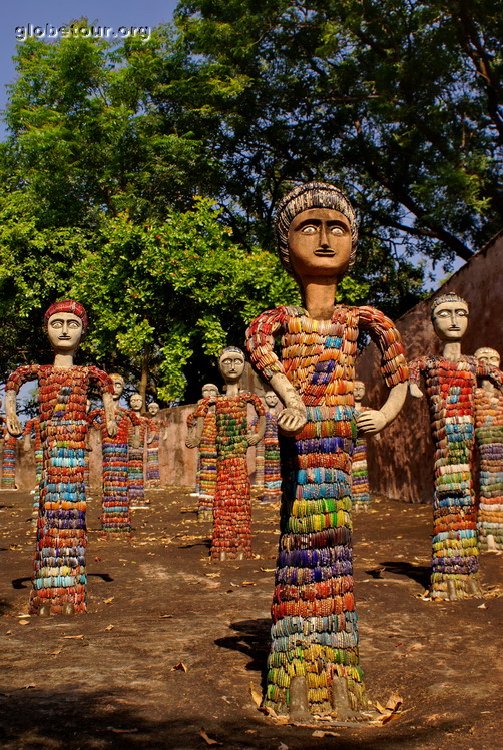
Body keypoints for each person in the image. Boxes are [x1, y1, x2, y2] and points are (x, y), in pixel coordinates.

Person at [245, 182, 408, 721]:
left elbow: (397, 375)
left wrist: (383, 414)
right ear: (285, 245)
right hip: (303, 450)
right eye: (307, 227)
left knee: (335, 542)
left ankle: (336, 667)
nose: (322, 238)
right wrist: (290, 401)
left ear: (354, 246)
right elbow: (260, 352)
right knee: (300, 535)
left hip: (339, 452)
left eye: (335, 227)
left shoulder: (365, 320)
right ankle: (296, 665)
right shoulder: (276, 321)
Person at [5, 300, 116, 615]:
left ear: (83, 330)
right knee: (50, 515)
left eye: (72, 323)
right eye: (57, 323)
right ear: (46, 329)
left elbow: (105, 385)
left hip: (75, 460)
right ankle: (47, 590)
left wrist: (110, 417)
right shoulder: (40, 371)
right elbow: (14, 380)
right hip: (52, 458)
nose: (65, 330)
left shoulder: (87, 373)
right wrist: (10, 413)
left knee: (72, 519)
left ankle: (71, 590)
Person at [409, 295, 503, 600]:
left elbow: (497, 376)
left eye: (461, 313)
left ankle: (464, 572)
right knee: (449, 494)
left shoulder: (475, 364)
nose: (453, 320)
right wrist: (411, 386)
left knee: (464, 491)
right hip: (446, 445)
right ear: (434, 323)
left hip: (467, 445)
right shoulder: (430, 363)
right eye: (445, 314)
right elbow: (410, 375)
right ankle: (448, 573)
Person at [189, 348, 265, 560]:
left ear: (244, 365)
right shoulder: (214, 401)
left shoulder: (249, 398)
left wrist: (257, 435)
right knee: (223, 497)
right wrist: (195, 437)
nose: (232, 366)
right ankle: (223, 542)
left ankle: (241, 543)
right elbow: (198, 418)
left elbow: (262, 414)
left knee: (240, 497)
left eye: (237, 361)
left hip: (239, 456)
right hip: (223, 457)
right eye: (227, 361)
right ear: (219, 366)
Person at [88, 373, 141, 531]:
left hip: (122, 454)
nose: (114, 389)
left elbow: (137, 423)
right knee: (109, 482)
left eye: (118, 385)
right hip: (108, 455)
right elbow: (87, 422)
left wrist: (136, 438)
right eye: (110, 384)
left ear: (123, 388)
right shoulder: (99, 413)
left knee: (121, 483)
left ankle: (122, 521)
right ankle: (109, 521)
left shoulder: (125, 413)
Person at [473, 347, 503, 551]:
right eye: (484, 359)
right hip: (487, 448)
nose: (490, 362)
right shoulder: (474, 394)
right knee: (490, 483)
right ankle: (489, 534)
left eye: (494, 358)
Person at [186, 384, 219, 520]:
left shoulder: (221, 409)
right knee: (205, 475)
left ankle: (217, 508)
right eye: (205, 390)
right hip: (204, 448)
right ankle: (205, 509)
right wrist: (191, 437)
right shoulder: (199, 411)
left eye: (212, 390)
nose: (209, 393)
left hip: (218, 447)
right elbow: (190, 421)